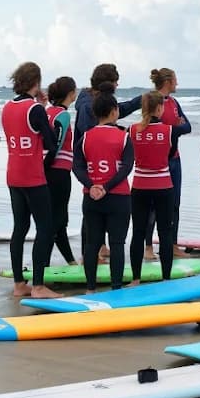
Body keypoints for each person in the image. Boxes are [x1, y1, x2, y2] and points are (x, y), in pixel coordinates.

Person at [0, 61, 60, 299]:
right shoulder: (34, 109)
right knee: (45, 228)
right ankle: (38, 286)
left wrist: (40, 108)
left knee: (20, 228)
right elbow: (50, 143)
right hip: (33, 177)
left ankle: (19, 284)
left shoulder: (7, 107)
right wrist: (43, 110)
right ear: (37, 82)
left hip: (13, 174)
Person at [73, 64, 142, 255]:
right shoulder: (87, 105)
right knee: (92, 206)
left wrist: (138, 102)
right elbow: (91, 133)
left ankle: (99, 247)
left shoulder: (93, 100)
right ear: (107, 82)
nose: (117, 85)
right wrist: (119, 132)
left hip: (97, 164)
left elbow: (115, 113)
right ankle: (90, 252)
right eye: (115, 81)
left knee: (99, 204)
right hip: (91, 164)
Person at [72, 88, 134, 292]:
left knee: (92, 244)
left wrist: (92, 185)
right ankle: (116, 289)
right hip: (119, 198)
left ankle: (90, 288)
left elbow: (77, 166)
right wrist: (107, 187)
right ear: (115, 111)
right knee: (117, 244)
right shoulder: (123, 137)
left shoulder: (85, 137)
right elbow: (126, 167)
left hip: (92, 198)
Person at [128, 92, 178, 284]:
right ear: (159, 108)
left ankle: (136, 279)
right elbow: (171, 154)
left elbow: (129, 155)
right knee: (165, 232)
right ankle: (166, 278)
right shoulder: (170, 131)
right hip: (163, 185)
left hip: (140, 184)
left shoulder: (132, 130)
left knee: (138, 232)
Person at [145, 67, 190, 257]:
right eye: (175, 80)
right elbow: (149, 126)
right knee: (153, 206)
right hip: (158, 160)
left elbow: (188, 127)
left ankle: (173, 245)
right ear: (168, 82)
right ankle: (148, 247)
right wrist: (172, 129)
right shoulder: (153, 101)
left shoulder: (173, 102)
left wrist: (170, 130)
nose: (177, 83)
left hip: (174, 159)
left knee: (174, 204)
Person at [44, 77, 79, 266]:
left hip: (47, 172)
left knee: (57, 220)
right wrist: (46, 167)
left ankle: (71, 261)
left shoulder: (47, 112)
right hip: (58, 173)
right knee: (57, 221)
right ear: (70, 93)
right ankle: (43, 265)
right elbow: (56, 145)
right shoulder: (63, 115)